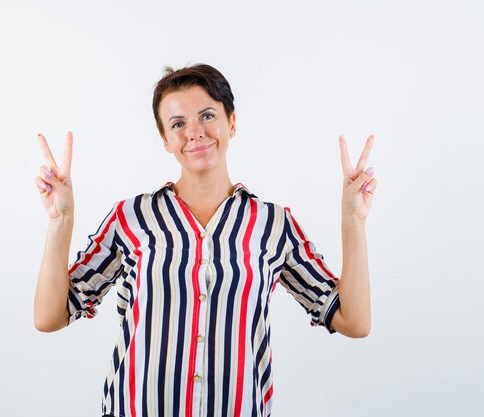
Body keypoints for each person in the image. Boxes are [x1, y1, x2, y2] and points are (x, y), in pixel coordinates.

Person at [33, 63, 376, 417]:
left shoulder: (273, 225)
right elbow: (50, 316)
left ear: (232, 122)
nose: (194, 133)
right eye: (178, 124)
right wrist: (61, 220)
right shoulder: (131, 219)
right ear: (165, 140)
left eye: (207, 115)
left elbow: (353, 321)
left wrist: (353, 220)